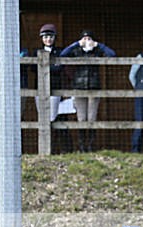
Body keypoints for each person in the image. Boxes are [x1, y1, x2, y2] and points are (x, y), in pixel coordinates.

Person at [60, 29, 116, 152]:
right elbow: (63, 55)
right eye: (84, 38)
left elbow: (112, 55)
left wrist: (98, 45)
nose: (87, 41)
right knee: (81, 118)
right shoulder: (77, 50)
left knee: (92, 117)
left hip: (94, 86)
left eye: (89, 38)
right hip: (79, 87)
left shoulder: (96, 51)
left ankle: (90, 145)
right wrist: (76, 44)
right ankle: (81, 146)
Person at [33, 23, 72, 153]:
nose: (48, 39)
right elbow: (33, 68)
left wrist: (47, 68)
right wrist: (51, 67)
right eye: (45, 37)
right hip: (40, 89)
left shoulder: (59, 52)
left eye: (50, 36)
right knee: (42, 118)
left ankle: (59, 149)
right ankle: (45, 148)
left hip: (55, 88)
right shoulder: (37, 52)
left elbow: (59, 68)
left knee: (54, 118)